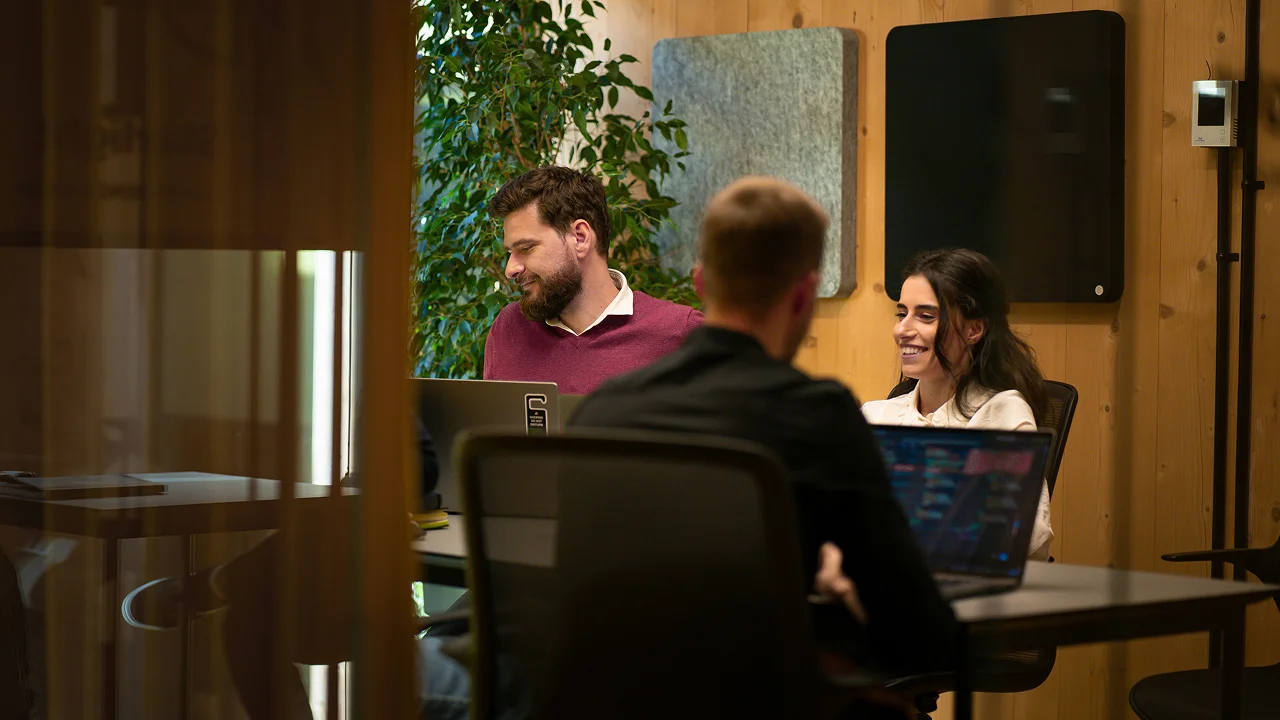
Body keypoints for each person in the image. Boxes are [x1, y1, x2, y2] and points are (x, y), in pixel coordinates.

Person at [568, 177, 958, 687]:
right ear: (803, 295)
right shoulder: (819, 416)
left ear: (701, 283)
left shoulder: (603, 411)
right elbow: (915, 622)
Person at [860, 248, 1054, 561]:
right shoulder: (874, 416)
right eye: (901, 313)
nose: (902, 330)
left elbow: (1027, 538)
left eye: (925, 316)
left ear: (973, 329)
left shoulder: (1002, 413)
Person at [482, 166, 702, 395]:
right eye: (510, 252)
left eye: (526, 248)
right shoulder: (508, 330)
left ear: (580, 238)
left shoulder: (683, 334)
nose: (510, 269)